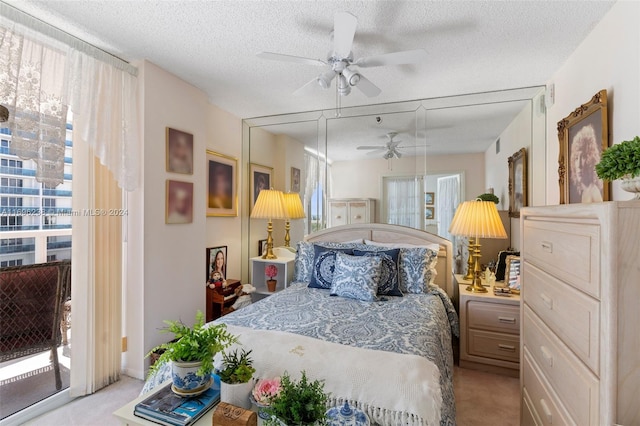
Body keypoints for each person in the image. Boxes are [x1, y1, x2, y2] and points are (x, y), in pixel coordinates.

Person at [570, 123, 603, 203]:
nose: (579, 165)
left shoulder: (594, 192)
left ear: (591, 160)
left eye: (584, 157)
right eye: (576, 158)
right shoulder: (585, 192)